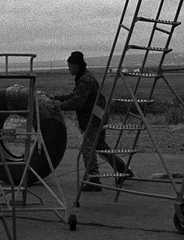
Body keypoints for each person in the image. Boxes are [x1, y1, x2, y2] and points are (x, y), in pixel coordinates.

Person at [50, 51, 132, 191]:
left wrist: (60, 105)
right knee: (100, 146)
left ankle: (93, 180)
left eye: (70, 66)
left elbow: (78, 102)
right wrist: (57, 98)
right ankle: (123, 169)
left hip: (93, 118)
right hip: (97, 116)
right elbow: (76, 95)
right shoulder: (84, 77)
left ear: (76, 66)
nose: (68, 69)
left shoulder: (85, 79)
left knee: (88, 148)